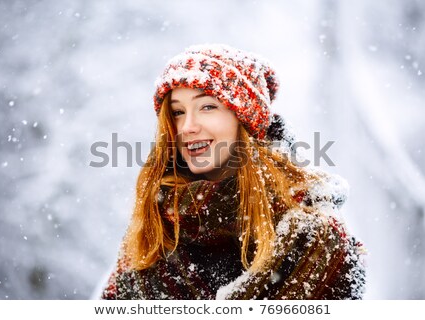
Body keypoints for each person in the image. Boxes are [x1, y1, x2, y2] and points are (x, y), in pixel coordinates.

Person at [101, 44, 366, 300]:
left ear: (245, 121)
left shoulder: (312, 234)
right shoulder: (156, 227)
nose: (188, 126)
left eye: (207, 106)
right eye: (178, 112)